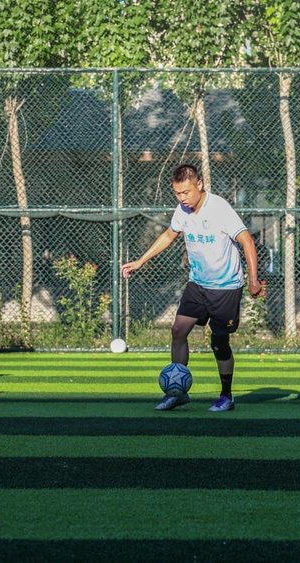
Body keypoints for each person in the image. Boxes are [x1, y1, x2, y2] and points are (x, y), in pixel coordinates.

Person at [121, 164, 264, 412]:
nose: (182, 198)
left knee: (219, 342)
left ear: (199, 184)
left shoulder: (219, 208)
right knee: (178, 330)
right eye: (177, 193)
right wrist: (140, 261)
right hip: (197, 284)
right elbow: (169, 235)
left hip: (225, 287)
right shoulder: (182, 211)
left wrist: (253, 280)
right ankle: (177, 392)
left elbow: (247, 241)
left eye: (186, 192)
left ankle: (226, 396)